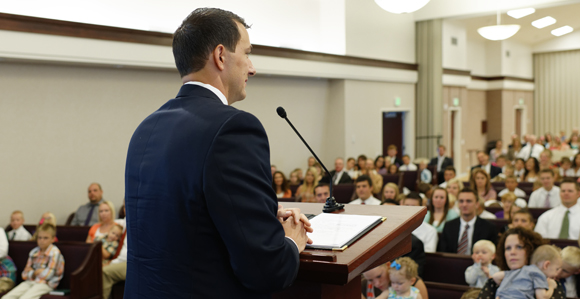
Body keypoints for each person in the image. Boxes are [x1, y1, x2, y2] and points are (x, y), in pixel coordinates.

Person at [124, 8, 312, 298]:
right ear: (221, 56)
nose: (252, 68)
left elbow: (180, 217)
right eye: (247, 54)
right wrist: (290, 240)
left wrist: (260, 214)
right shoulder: (233, 127)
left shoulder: (146, 129)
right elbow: (267, 269)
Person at [477, 227, 565, 299]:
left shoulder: (550, 284)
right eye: (508, 248)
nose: (512, 252)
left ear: (531, 249)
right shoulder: (494, 282)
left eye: (519, 247)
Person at [2, 223, 64, 299]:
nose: (42, 240)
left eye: (45, 238)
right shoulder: (34, 252)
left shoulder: (55, 253)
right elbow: (24, 274)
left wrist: (33, 272)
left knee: (25, 298)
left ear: (53, 239)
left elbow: (48, 275)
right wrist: (37, 272)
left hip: (46, 284)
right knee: (7, 297)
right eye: (39, 238)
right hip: (30, 281)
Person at [438, 188, 497, 254]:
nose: (464, 205)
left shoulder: (488, 228)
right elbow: (443, 253)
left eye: (468, 201)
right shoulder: (449, 226)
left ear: (477, 204)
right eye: (461, 201)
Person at [492, 244, 561, 299]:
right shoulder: (539, 274)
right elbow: (542, 297)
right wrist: (551, 286)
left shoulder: (520, 270)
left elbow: (496, 276)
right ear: (546, 265)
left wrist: (511, 286)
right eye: (556, 269)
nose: (557, 273)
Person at [362, 261, 428, 299]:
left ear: (388, 265)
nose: (377, 283)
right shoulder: (363, 285)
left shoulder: (415, 284)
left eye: (379, 276)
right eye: (370, 280)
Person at [102, 231, 128, 299]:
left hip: (129, 262)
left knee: (105, 271)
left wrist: (111, 263)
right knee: (94, 265)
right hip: (119, 259)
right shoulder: (126, 225)